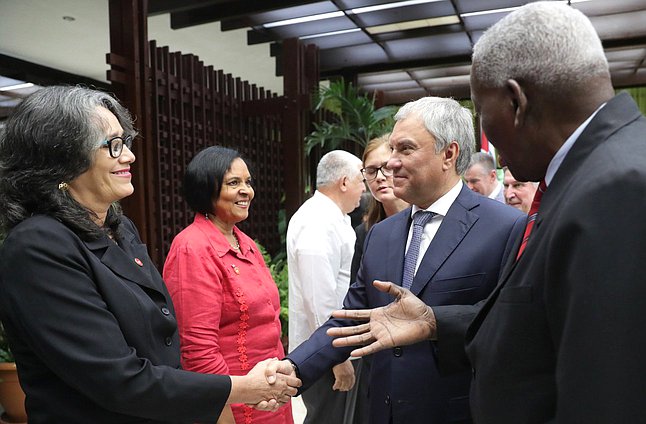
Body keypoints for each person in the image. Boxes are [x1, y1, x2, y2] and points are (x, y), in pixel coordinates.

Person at [327, 2, 646, 422]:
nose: (485, 136)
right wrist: (435, 321)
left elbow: (609, 392)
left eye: (481, 111)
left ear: (516, 101)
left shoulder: (618, 188)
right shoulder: (597, 172)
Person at [0, 86, 300, 423]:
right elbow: (118, 380)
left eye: (126, 142)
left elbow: (163, 346)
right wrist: (242, 389)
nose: (128, 156)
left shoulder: (120, 228)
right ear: (62, 158)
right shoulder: (38, 246)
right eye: (113, 145)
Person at [285, 97, 525, 424]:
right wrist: (293, 368)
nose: (391, 163)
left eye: (406, 149)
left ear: (449, 153)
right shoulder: (381, 234)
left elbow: (510, 325)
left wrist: (434, 322)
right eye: (392, 149)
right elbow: (351, 318)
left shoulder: (504, 227)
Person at [163, 146, 293, 424]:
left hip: (271, 400)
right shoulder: (192, 247)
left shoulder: (245, 243)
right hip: (231, 407)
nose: (246, 190)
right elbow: (197, 350)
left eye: (248, 182)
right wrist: (223, 416)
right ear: (205, 188)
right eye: (234, 183)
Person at [286, 150, 365, 424]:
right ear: (344, 182)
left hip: (336, 346)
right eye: (361, 179)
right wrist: (335, 357)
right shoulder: (317, 220)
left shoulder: (334, 218)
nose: (363, 188)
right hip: (324, 351)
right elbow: (319, 298)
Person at [349, 135, 409, 424]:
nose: (381, 177)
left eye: (386, 167)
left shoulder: (425, 220)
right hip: (377, 354)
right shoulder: (365, 231)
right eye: (371, 171)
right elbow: (355, 298)